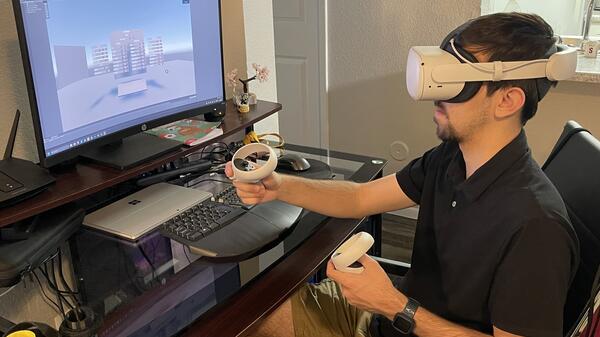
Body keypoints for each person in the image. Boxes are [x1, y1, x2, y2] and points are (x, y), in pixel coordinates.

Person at [225, 12, 579, 337]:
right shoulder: (452, 158)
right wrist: (280, 186)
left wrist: (394, 304)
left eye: (458, 81)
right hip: (390, 319)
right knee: (251, 315)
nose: (435, 95)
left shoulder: (536, 227)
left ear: (507, 101)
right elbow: (363, 197)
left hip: (400, 316)